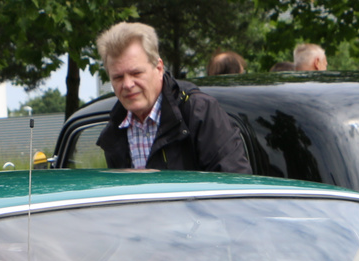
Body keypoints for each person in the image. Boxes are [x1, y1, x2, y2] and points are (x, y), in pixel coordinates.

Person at [94, 22, 251, 173]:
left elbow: (236, 186)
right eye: (118, 77)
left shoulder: (199, 112)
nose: (127, 84)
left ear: (159, 68)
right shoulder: (115, 131)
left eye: (136, 73)